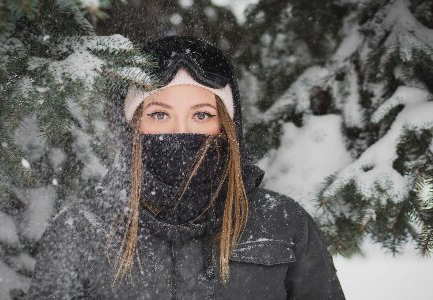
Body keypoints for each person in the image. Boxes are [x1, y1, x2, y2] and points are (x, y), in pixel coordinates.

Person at [27, 35, 346, 300]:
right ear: (132, 127)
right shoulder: (82, 228)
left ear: (227, 127)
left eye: (202, 115)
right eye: (160, 115)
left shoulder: (283, 223)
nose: (181, 132)